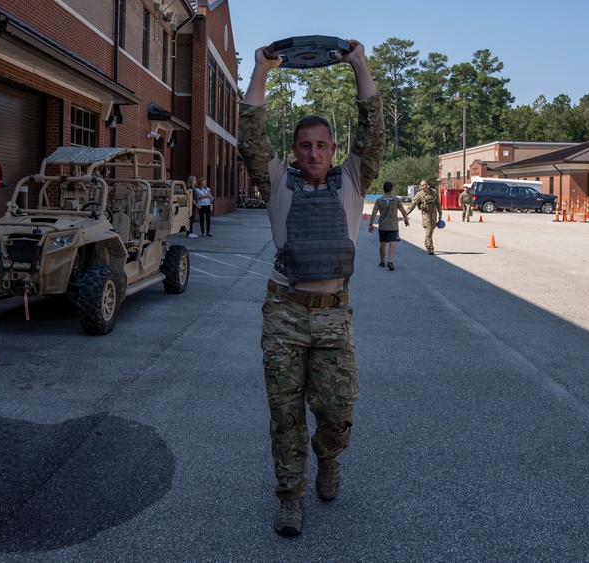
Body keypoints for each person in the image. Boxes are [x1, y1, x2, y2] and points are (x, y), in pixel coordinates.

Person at [237, 39, 384, 537]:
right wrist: (262, 72)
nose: (314, 152)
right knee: (285, 413)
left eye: (322, 145)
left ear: (333, 149)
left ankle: (329, 459)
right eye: (305, 146)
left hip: (333, 316)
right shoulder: (277, 181)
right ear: (295, 151)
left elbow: (372, 126)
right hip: (284, 312)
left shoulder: (354, 181)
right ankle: (290, 497)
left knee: (338, 410)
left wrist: (358, 64)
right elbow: (251, 135)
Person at [368, 181, 409, 270]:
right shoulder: (396, 199)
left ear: (384, 189)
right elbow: (403, 211)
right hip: (393, 226)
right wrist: (406, 220)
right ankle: (390, 261)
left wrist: (371, 224)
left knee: (382, 243)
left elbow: (374, 213)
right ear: (392, 188)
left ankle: (382, 261)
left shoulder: (379, 200)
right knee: (393, 243)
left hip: (383, 226)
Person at [405, 180, 441, 255]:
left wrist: (440, 213)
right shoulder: (419, 194)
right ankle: (430, 247)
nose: (424, 186)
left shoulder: (434, 192)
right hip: (426, 214)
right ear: (421, 186)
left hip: (434, 213)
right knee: (428, 228)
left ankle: (427, 242)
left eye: (425, 184)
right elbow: (412, 205)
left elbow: (438, 203)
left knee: (432, 228)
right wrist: (405, 214)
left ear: (428, 184)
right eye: (422, 185)